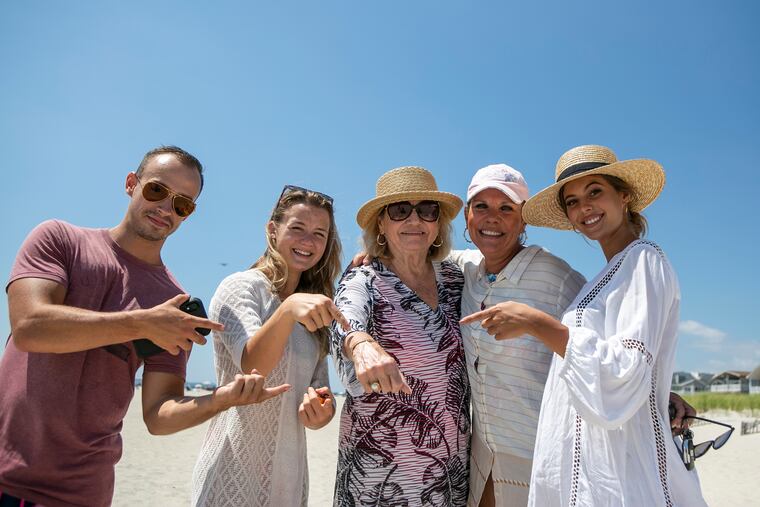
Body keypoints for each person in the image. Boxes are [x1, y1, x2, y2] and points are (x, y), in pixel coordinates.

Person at [0, 146, 289, 507]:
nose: (166, 209)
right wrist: (143, 322)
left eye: (183, 204)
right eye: (157, 190)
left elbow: (158, 415)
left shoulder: (173, 302)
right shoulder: (59, 240)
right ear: (131, 184)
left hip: (82, 492)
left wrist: (223, 399)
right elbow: (30, 328)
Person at [462, 145, 707, 506]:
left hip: (625, 471)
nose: (585, 207)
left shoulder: (643, 260)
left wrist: (535, 322)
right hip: (593, 467)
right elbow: (629, 357)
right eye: (573, 201)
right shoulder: (606, 276)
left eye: (595, 192)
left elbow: (623, 371)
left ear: (624, 196)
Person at [192, 185, 348, 506]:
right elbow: (253, 367)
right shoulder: (240, 287)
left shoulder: (313, 305)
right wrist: (288, 309)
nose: (308, 241)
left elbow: (320, 390)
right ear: (272, 230)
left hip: (288, 481)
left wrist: (322, 411)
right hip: (232, 472)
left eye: (320, 234)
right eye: (297, 228)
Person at [331, 166, 470, 506]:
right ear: (380, 224)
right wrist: (360, 344)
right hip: (380, 473)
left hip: (449, 473)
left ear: (438, 224)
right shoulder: (363, 279)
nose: (414, 220)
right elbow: (342, 321)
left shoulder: (455, 279)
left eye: (426, 210)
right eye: (399, 211)